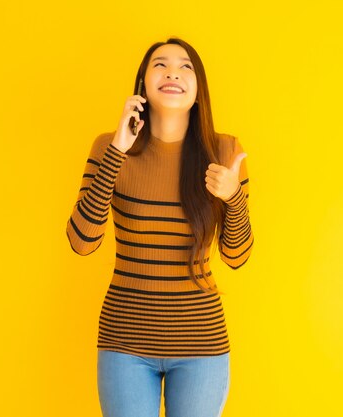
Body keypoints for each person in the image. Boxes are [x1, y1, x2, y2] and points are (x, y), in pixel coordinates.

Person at [65, 37, 254, 417]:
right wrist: (119, 149)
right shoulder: (109, 147)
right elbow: (81, 241)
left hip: (201, 343)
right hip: (125, 341)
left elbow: (236, 256)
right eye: (160, 65)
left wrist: (233, 197)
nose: (172, 72)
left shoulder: (225, 152)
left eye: (185, 67)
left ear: (199, 89)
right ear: (143, 85)